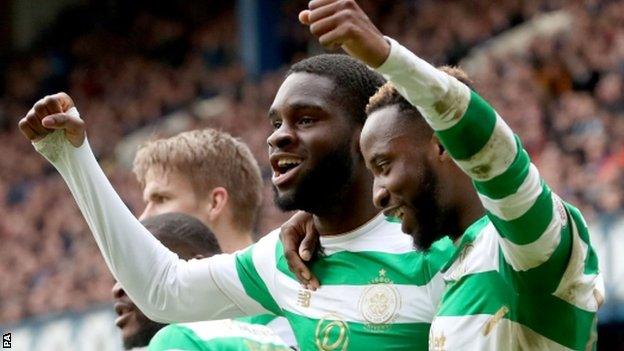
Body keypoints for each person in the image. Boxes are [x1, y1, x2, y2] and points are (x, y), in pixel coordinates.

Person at [18, 52, 454, 349]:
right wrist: (72, 157)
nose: (278, 135)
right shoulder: (281, 261)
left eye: (305, 119)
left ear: (366, 133)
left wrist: (386, 52)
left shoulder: (441, 250)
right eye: (275, 121)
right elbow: (161, 289)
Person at [292, 0, 604, 349]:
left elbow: (495, 150)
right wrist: (318, 221)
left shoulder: (523, 247)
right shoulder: (456, 271)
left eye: (384, 166)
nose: (377, 193)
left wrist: (387, 57)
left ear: (442, 146)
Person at [115, 129, 294, 349]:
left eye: (161, 198)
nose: (143, 218)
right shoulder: (168, 319)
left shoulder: (291, 308)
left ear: (214, 203)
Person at [112, 212, 290, 350]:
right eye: (117, 278)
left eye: (138, 273)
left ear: (196, 266)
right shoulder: (274, 333)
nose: (116, 289)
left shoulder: (179, 338)